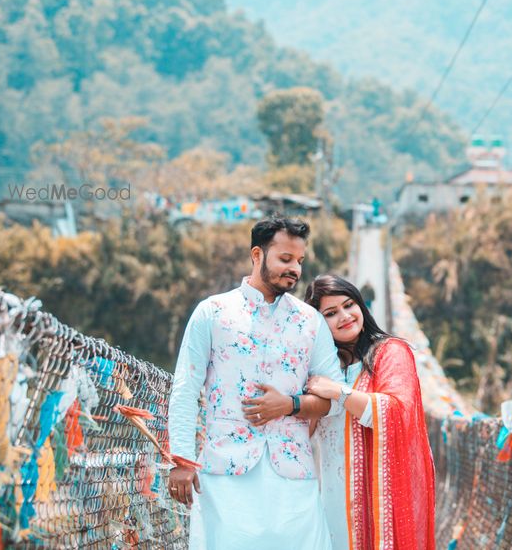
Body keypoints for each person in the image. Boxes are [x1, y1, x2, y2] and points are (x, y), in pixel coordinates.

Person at [167, 216, 346, 550]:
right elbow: (185, 388)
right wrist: (181, 460)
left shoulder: (311, 322)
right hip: (225, 473)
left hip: (293, 474)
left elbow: (335, 399)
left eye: (300, 261)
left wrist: (290, 404)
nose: (295, 269)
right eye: (285, 259)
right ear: (257, 255)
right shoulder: (212, 312)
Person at [304, 275, 435, 550]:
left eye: (349, 305)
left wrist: (338, 393)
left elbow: (398, 411)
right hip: (332, 497)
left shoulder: (390, 353)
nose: (344, 316)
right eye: (330, 313)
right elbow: (304, 432)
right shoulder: (319, 369)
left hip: (380, 497)